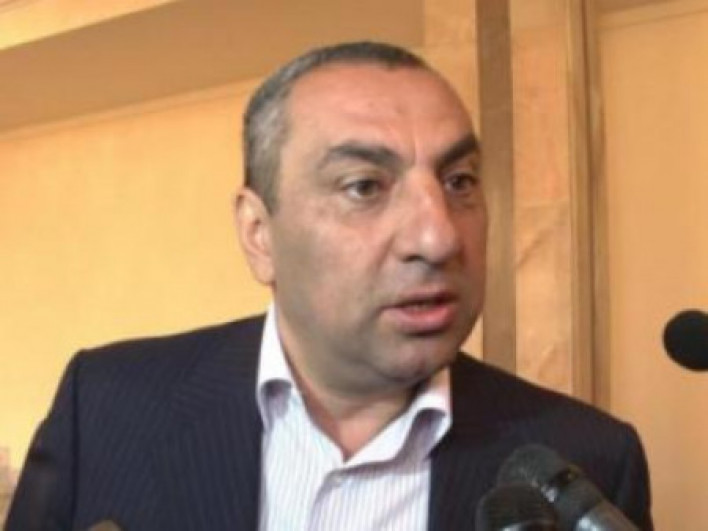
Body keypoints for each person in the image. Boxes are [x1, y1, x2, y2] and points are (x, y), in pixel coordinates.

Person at [7, 41, 652, 530]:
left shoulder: (590, 459)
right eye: (364, 186)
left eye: (459, 181)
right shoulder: (105, 408)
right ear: (259, 233)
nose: (438, 238)